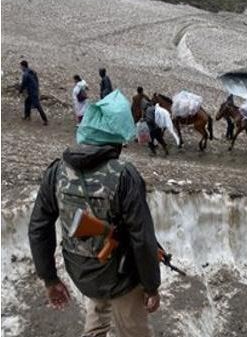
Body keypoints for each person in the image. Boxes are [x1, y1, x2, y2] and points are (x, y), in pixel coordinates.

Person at [28, 96, 161, 336]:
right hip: (121, 277)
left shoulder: (57, 170)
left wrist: (49, 279)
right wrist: (152, 286)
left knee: (97, 317)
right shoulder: (125, 176)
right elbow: (141, 238)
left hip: (82, 271)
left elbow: (38, 226)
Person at [19, 60, 48, 125]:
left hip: (32, 92)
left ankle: (45, 120)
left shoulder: (25, 74)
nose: (20, 68)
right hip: (35, 90)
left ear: (23, 66)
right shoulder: (32, 71)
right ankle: (27, 116)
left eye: (21, 66)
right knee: (27, 102)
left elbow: (23, 84)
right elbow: (36, 80)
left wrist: (20, 91)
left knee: (38, 106)